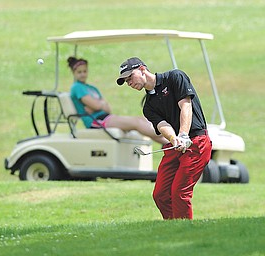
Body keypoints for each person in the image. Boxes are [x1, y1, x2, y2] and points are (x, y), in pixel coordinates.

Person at [116, 57, 212, 220]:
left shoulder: (175, 77)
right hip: (176, 146)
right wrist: (174, 139)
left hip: (197, 142)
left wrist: (183, 134)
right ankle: (173, 227)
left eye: (130, 77)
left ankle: (183, 231)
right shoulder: (148, 106)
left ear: (142, 69)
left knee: (179, 192)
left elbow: (186, 105)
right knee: (160, 194)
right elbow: (162, 125)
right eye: (126, 81)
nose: (129, 83)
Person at [67, 56, 169, 145]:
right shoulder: (77, 87)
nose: (83, 74)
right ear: (73, 73)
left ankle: (170, 142)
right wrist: (100, 105)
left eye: (85, 71)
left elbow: (106, 108)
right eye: (79, 72)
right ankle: (171, 139)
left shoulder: (92, 88)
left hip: (105, 117)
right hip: (96, 121)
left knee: (141, 120)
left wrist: (99, 105)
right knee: (137, 122)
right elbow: (97, 106)